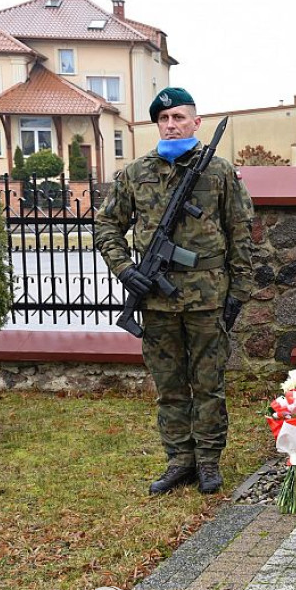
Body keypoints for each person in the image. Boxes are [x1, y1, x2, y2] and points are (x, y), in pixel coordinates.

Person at [95, 87, 254, 495]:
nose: (171, 124)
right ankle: (179, 460)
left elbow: (240, 232)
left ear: (195, 122)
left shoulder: (217, 172)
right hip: (156, 300)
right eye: (164, 119)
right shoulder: (135, 173)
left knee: (208, 383)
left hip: (207, 297)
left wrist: (239, 290)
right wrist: (124, 269)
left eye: (179, 117)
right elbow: (107, 225)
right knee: (168, 385)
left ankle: (207, 461)